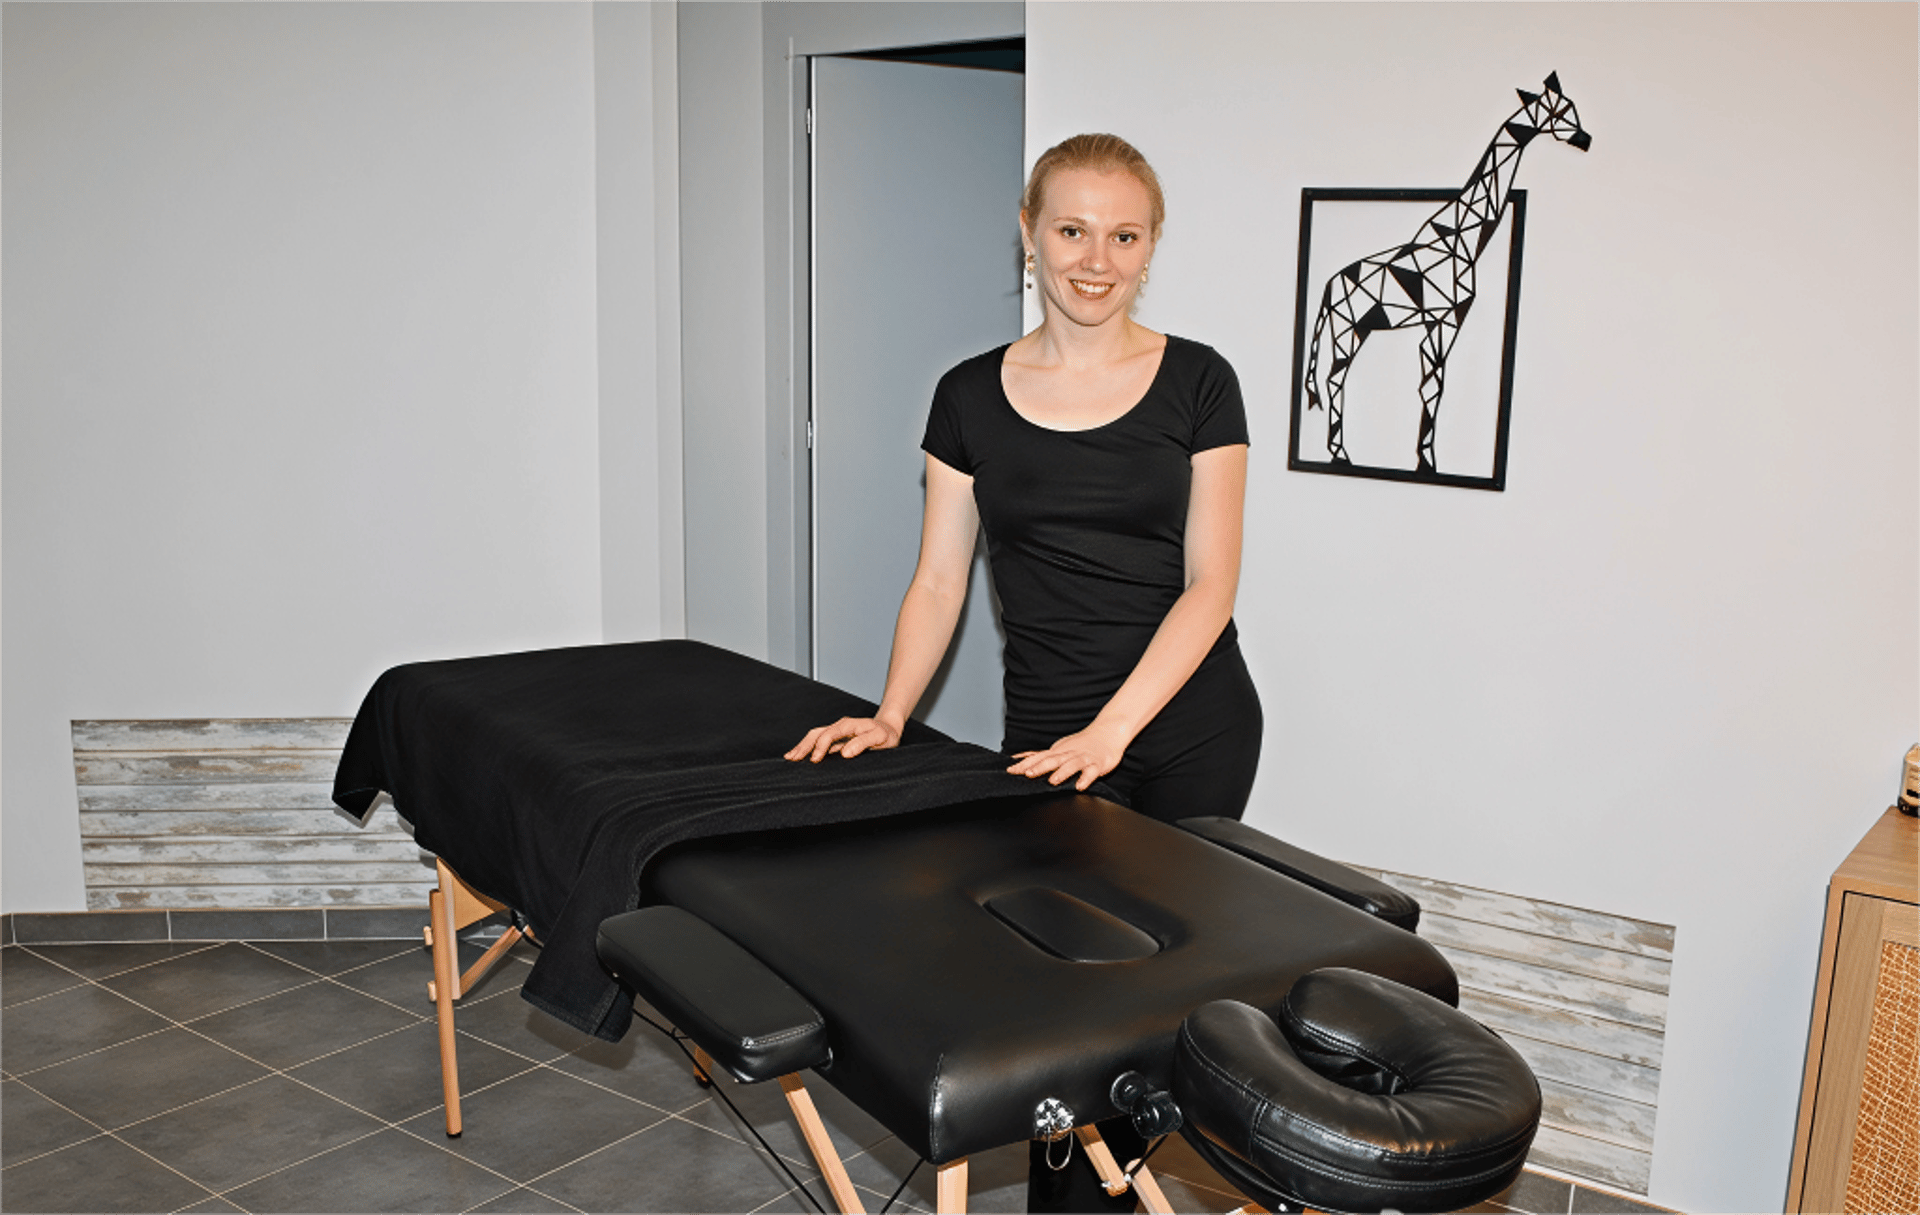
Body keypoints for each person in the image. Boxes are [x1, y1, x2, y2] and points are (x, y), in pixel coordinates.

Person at [787, 131, 1261, 829]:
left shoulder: (1202, 381)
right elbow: (939, 581)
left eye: (1125, 237)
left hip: (1193, 726)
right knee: (1056, 929)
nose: (1097, 261)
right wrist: (891, 715)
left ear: (1152, 246)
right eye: (1073, 230)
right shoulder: (966, 396)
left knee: (1183, 937)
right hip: (1050, 730)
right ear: (1028, 230)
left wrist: (1113, 730)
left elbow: (1211, 585)